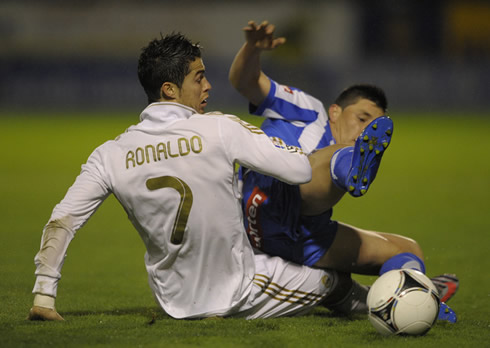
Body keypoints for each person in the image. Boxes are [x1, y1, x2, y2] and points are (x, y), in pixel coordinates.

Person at [28, 33, 359, 322]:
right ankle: (387, 304)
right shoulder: (219, 127)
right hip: (238, 290)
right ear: (170, 89)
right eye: (199, 78)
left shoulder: (110, 153)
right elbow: (300, 170)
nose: (208, 86)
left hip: (172, 299)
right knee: (332, 281)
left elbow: (64, 219)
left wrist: (44, 294)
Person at [228, 21, 458, 320]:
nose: (365, 131)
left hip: (302, 235)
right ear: (335, 111)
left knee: (407, 249)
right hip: (262, 204)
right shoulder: (307, 109)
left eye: (373, 127)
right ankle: (348, 170)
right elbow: (245, 82)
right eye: (363, 119)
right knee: (329, 159)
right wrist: (252, 49)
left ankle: (415, 298)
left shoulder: (347, 149)